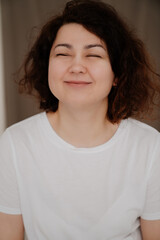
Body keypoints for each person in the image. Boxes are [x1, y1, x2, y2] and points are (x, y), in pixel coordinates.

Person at [0, 0, 160, 239]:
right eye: (63, 53)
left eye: (93, 54)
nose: (76, 66)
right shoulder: (15, 142)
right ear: (47, 66)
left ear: (117, 74)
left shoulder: (149, 146)